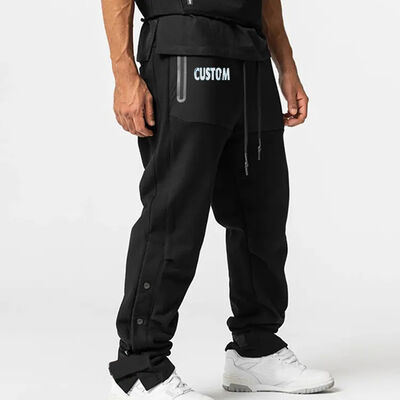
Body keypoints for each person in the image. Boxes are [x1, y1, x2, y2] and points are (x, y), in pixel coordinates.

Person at [101, 0, 334, 398]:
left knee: (262, 211)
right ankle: (141, 366)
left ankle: (256, 349)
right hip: (183, 49)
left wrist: (286, 65)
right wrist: (124, 73)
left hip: (251, 58)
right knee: (175, 213)